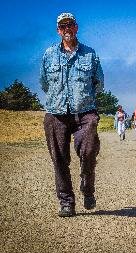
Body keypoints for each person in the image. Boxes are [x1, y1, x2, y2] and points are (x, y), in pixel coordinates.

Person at [40, 13, 104, 217]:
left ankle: (87, 188)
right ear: (58, 30)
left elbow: (98, 83)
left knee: (88, 152)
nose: (66, 29)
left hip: (85, 113)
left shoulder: (90, 54)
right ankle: (66, 202)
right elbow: (44, 83)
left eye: (70, 25)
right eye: (62, 26)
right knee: (59, 159)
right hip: (55, 113)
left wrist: (83, 100)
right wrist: (58, 99)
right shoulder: (49, 54)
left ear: (76, 27)